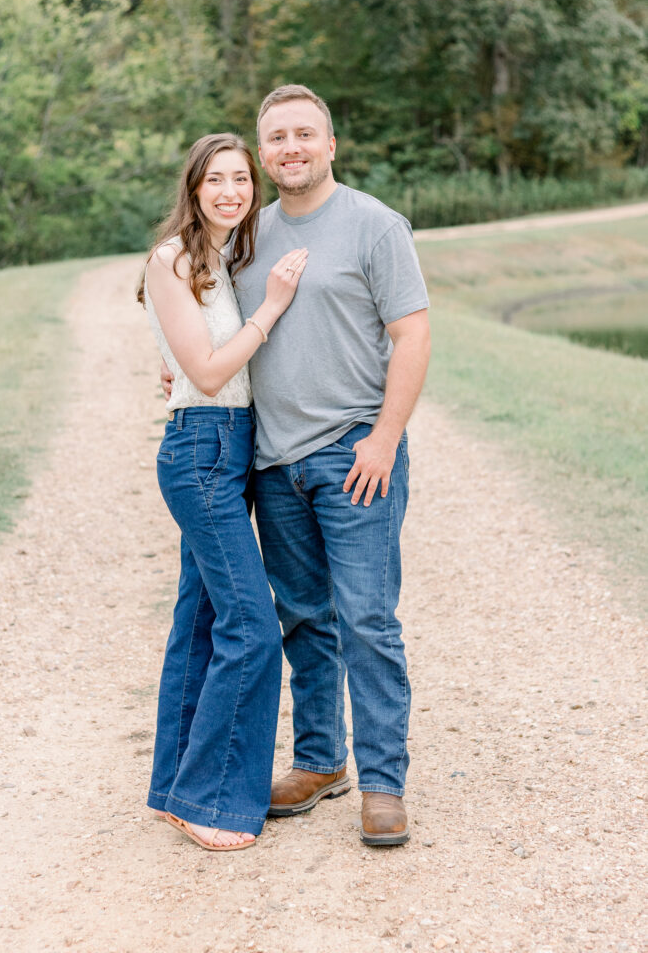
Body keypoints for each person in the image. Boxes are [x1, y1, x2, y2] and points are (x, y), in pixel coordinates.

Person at [163, 85, 430, 846]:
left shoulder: (374, 226)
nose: (290, 148)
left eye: (304, 134)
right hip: (272, 463)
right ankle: (320, 762)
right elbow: (211, 321)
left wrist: (383, 439)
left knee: (367, 618)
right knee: (304, 620)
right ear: (261, 151)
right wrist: (179, 370)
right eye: (275, 137)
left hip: (354, 453)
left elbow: (411, 336)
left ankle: (382, 783)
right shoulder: (248, 232)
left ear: (331, 144)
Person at [138, 132, 308, 851]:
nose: (231, 191)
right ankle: (209, 798)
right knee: (250, 627)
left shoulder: (223, 259)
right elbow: (207, 374)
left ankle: (178, 788)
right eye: (217, 180)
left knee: (202, 620)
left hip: (231, 444)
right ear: (194, 187)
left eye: (242, 179)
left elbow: (202, 366)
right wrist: (271, 309)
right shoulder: (171, 257)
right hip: (201, 450)